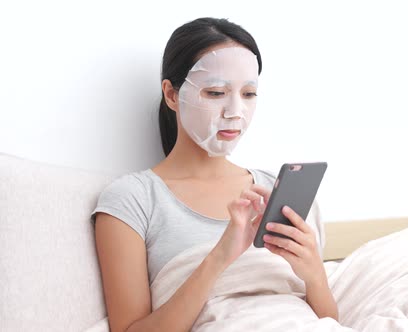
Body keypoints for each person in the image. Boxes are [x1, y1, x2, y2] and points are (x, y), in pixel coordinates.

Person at [92, 17, 338, 332]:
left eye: (249, 94)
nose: (235, 111)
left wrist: (314, 273)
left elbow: (330, 320)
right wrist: (221, 256)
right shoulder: (131, 200)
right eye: (215, 92)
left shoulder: (272, 191)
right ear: (171, 95)